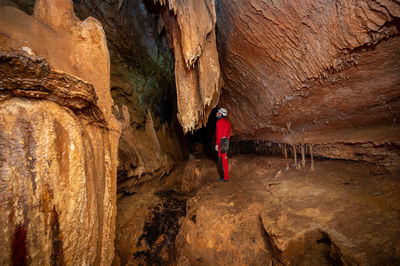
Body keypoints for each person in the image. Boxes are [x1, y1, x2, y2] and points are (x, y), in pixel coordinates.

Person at [215, 107, 231, 182]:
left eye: (218, 112)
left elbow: (219, 134)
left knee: (221, 159)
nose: (216, 113)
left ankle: (225, 178)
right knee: (224, 159)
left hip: (221, 141)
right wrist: (226, 140)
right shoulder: (227, 122)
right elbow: (229, 134)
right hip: (226, 141)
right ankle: (225, 176)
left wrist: (217, 144)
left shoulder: (219, 122)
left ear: (221, 114)